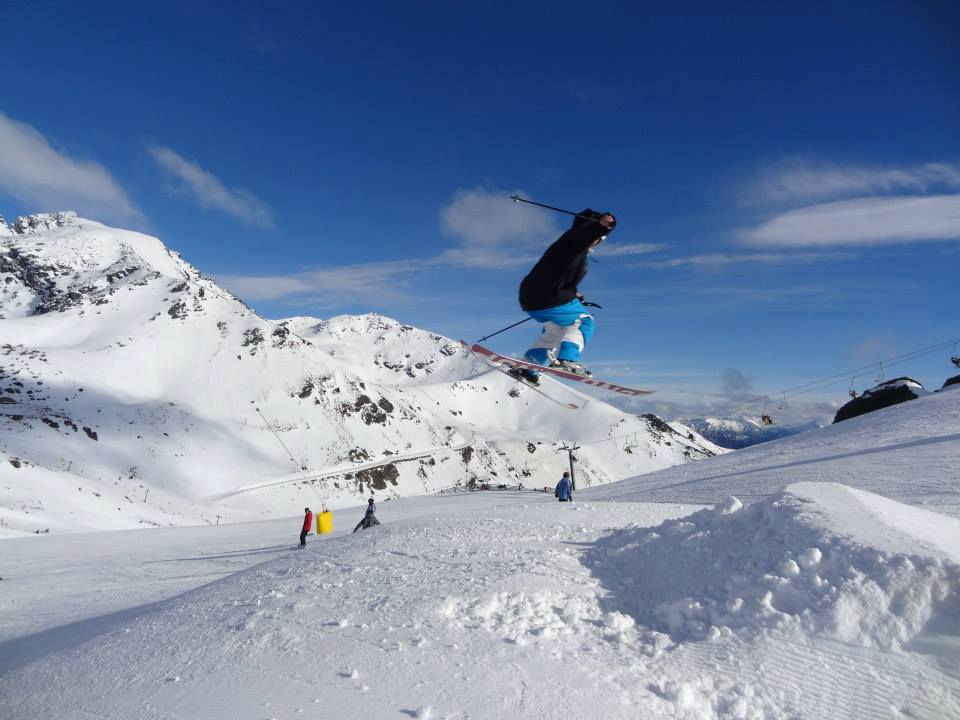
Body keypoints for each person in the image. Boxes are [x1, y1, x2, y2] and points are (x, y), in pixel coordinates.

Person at [513, 209, 616, 385]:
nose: (598, 242)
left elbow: (559, 275)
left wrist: (575, 294)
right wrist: (602, 226)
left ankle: (529, 367)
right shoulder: (576, 240)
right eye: (600, 240)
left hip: (533, 296)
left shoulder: (569, 246)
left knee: (556, 330)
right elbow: (584, 233)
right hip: (549, 296)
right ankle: (567, 360)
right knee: (584, 321)